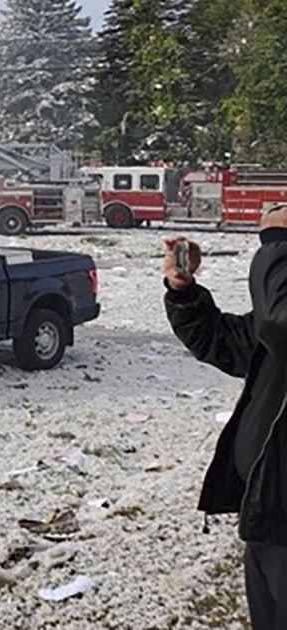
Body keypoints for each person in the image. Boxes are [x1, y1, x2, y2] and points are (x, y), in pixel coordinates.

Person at [164, 203, 287, 628]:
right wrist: (184, 291)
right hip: (269, 510)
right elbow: (226, 341)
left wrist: (276, 242)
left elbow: (279, 323)